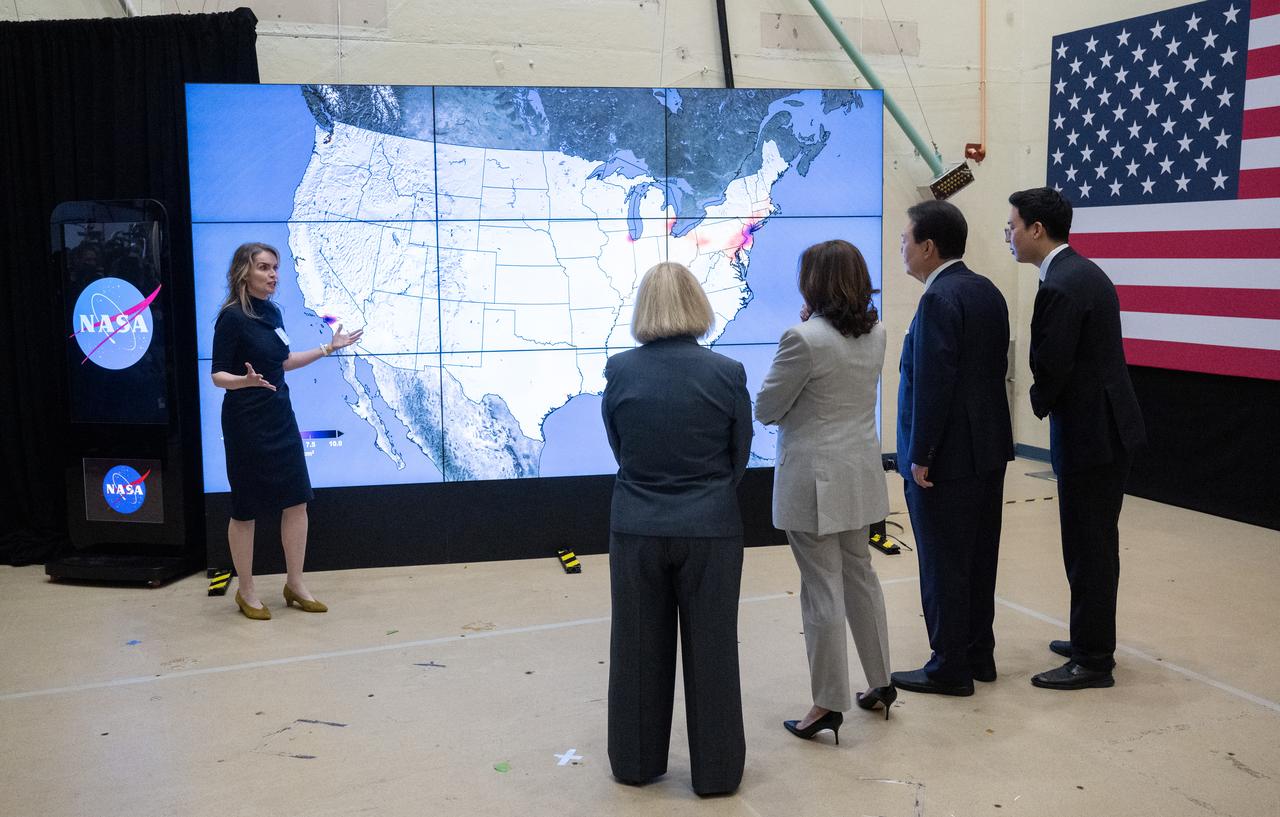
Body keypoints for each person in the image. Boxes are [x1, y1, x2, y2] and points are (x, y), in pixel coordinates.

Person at [601, 261, 751, 796]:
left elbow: (619, 448)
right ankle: (716, 774)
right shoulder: (727, 373)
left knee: (637, 649)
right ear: (698, 305)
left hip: (636, 525)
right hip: (711, 525)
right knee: (713, 652)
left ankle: (636, 763)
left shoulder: (619, 370)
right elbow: (739, 458)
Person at [1006, 187, 1146, 689]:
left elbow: (1052, 361)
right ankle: (1088, 635)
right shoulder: (1079, 272)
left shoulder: (1062, 285)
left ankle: (1092, 659)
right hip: (1103, 429)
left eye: (1014, 225)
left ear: (1037, 230)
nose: (1009, 233)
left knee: (1088, 547)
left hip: (1093, 435)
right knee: (1091, 543)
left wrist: (1037, 397)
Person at [755, 239, 893, 744]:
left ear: (812, 282)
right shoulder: (876, 333)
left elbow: (767, 408)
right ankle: (880, 682)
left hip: (812, 481)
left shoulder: (803, 337)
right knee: (861, 577)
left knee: (821, 589)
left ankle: (827, 703)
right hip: (858, 473)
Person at [889, 200, 1014, 698]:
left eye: (905, 240)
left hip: (947, 459)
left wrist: (921, 454)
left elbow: (935, 385)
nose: (901, 247)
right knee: (980, 558)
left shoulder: (938, 300)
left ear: (928, 246)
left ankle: (948, 666)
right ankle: (978, 654)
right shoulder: (987, 291)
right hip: (987, 451)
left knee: (942, 561)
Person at [211, 242, 362, 621]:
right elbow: (217, 375)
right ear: (243, 271)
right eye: (264, 267)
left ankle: (295, 584)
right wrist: (243, 381)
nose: (273, 275)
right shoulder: (230, 318)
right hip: (246, 420)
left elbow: (283, 361)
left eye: (275, 267)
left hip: (279, 415)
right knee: (246, 508)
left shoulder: (273, 312)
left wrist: (329, 347)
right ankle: (246, 591)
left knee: (296, 499)